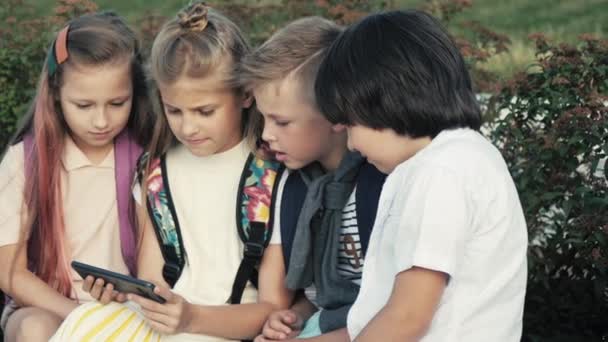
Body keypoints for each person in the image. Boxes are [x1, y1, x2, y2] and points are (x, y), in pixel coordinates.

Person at [50, 2, 290, 341]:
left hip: (224, 328)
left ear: (246, 94)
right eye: (174, 110)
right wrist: (127, 293)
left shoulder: (272, 178)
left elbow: (273, 308)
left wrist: (191, 318)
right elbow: (153, 283)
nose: (188, 127)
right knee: (87, 321)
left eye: (205, 111)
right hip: (166, 325)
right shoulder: (155, 172)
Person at [311, 9, 528, 341]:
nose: (351, 145)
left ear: (384, 101)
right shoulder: (449, 160)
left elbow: (408, 318)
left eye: (350, 124)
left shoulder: (440, 172)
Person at [0, 11, 151, 341]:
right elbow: (9, 272)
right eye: (83, 105)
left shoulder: (145, 159)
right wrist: (83, 318)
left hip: (125, 309)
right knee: (34, 330)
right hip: (47, 307)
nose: (101, 120)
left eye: (117, 103)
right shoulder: (23, 162)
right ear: (55, 94)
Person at [239, 17, 385, 341]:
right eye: (263, 118)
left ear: (335, 114)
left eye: (282, 122)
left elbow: (398, 308)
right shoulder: (294, 188)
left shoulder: (381, 183)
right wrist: (294, 318)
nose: (266, 134)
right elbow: (319, 293)